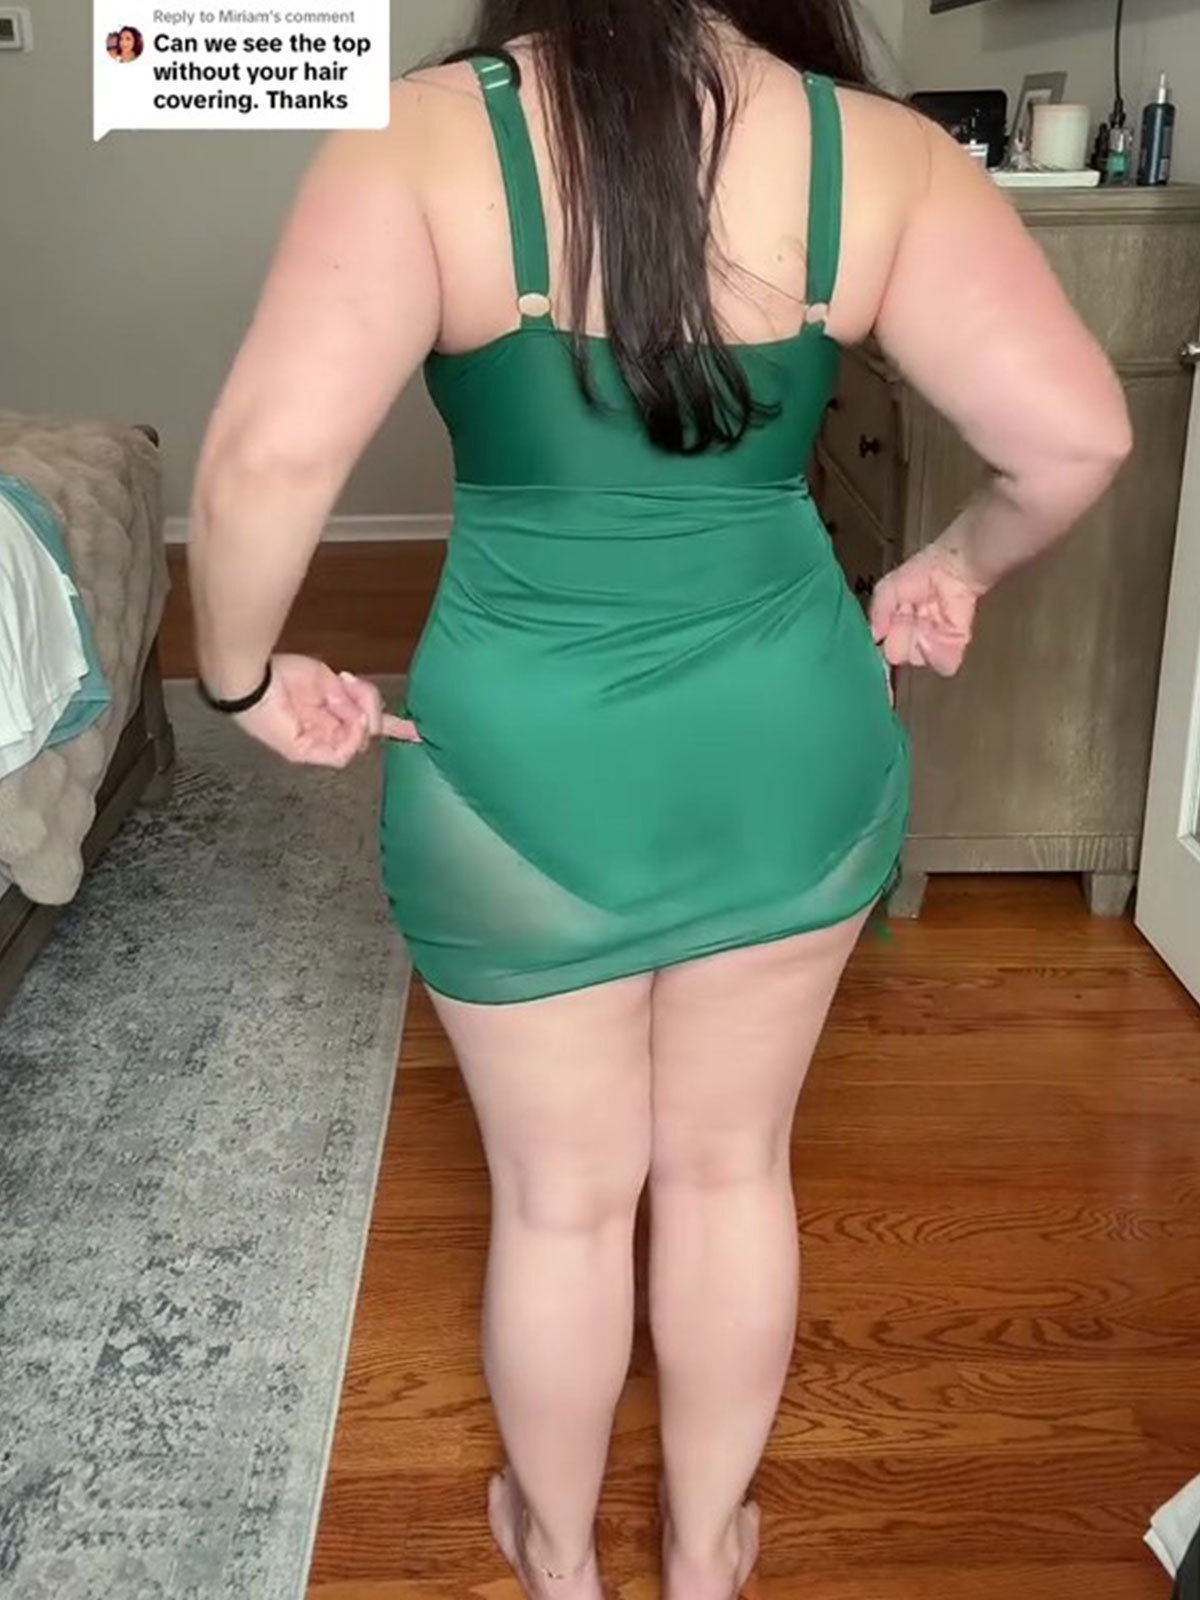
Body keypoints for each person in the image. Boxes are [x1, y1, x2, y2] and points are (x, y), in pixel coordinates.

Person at [187, 3, 1132, 1596]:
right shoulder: (873, 151)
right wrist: (956, 567)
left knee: (560, 1205)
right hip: (793, 750)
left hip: (516, 775)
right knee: (728, 1170)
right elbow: (1078, 436)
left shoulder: (419, 138)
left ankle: (560, 1561)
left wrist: (236, 678)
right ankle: (703, 1555)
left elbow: (262, 466)